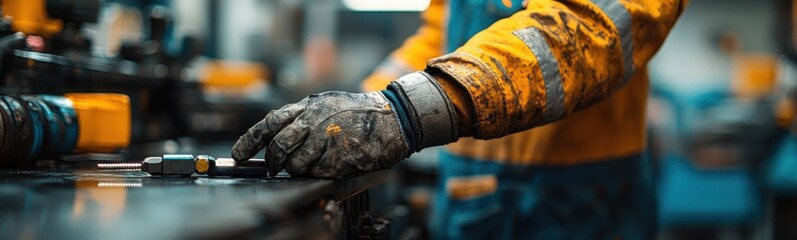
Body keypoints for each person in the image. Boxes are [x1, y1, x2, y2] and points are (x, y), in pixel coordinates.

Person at [232, 0, 687, 239]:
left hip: (580, 205)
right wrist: (364, 106)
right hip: (470, 197)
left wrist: (408, 110)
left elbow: (589, 27)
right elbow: (443, 36)